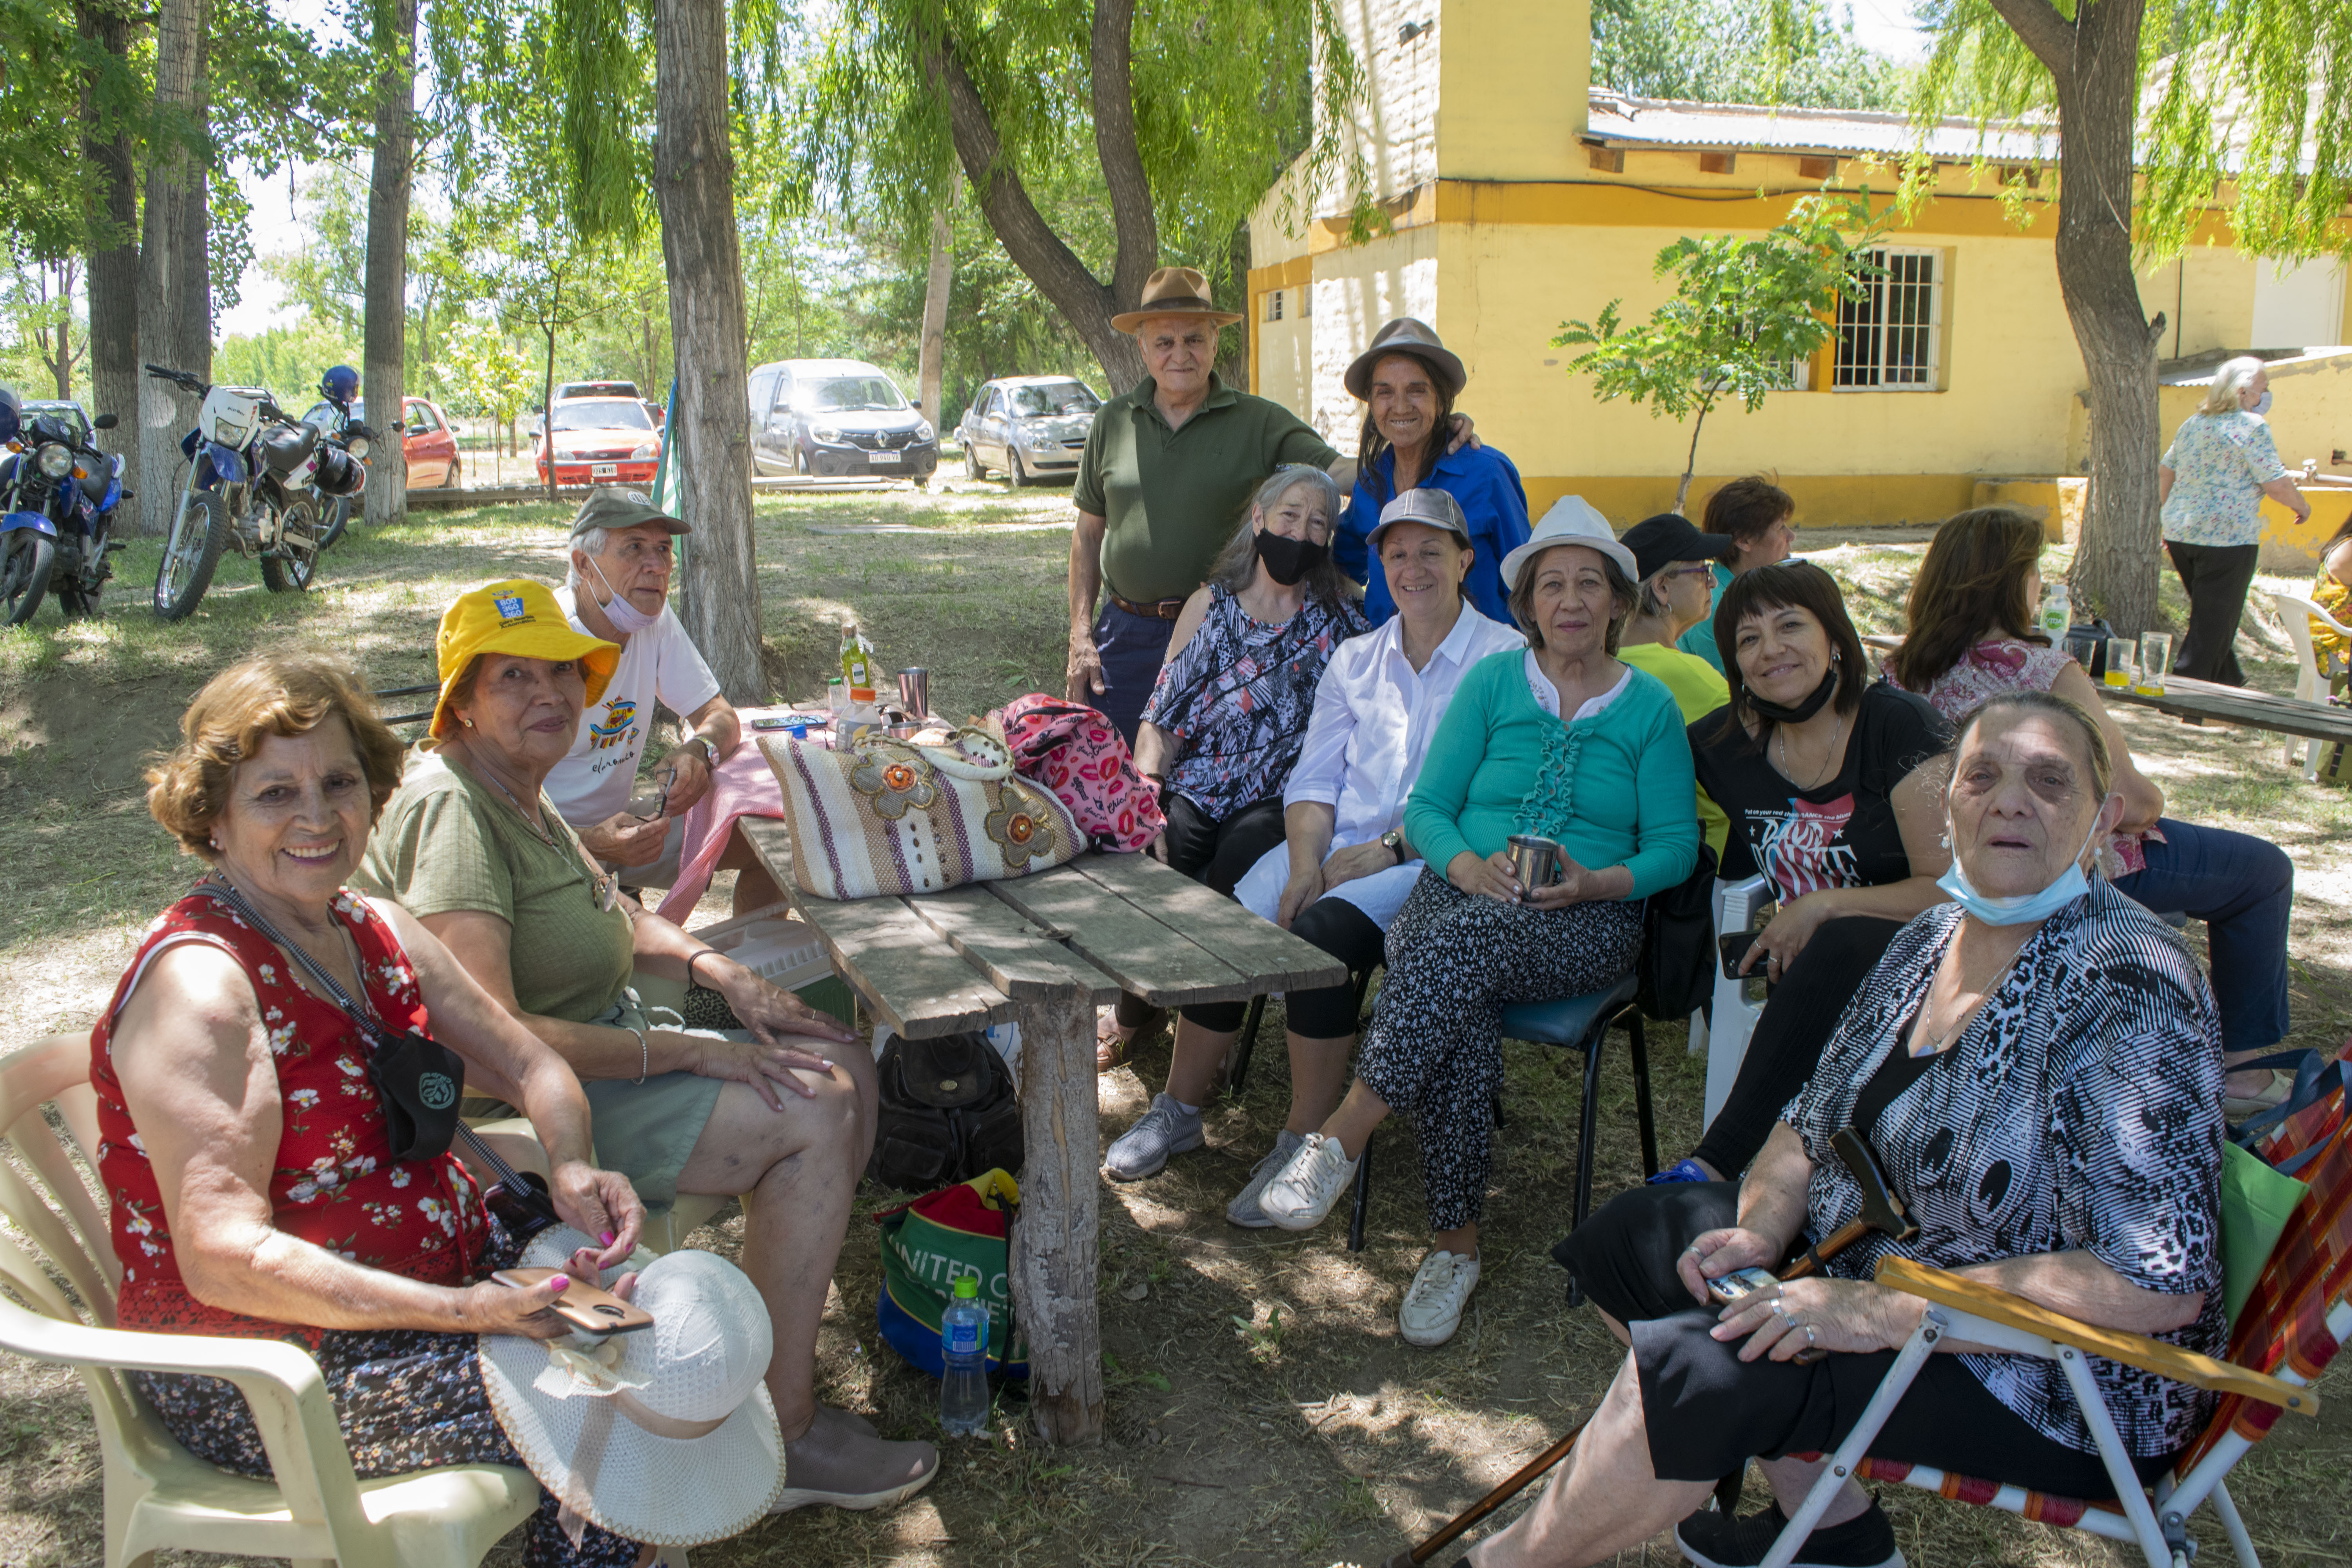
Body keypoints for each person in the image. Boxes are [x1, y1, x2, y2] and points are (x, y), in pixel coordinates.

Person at [1491, 691, 2225, 1568]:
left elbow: (2157, 1283)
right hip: (1881, 1271)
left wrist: (1876, 1310)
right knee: (1634, 1241)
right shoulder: (1933, 936)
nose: (2009, 801)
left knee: (1715, 1366)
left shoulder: (2130, 981)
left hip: (2054, 1375)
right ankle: (1836, 1533)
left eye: (2049, 780)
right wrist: (1756, 1229)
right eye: (1982, 776)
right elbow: (1803, 1129)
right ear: (1949, 806)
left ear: (2104, 819)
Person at [354, 578, 937, 1513]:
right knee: (816, 1106)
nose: (548, 694)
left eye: (563, 673)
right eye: (515, 676)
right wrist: (699, 1053)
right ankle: (782, 1436)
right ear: (460, 699)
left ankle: (745, 1359)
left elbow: (613, 911)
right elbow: (495, 1037)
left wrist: (721, 970)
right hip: (522, 1119)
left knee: (839, 1052)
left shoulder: (519, 792)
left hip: (616, 1045)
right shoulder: (454, 810)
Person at [98, 650, 659, 1567]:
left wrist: (570, 1162)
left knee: (645, 1321)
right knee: (613, 1401)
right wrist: (472, 1315)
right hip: (272, 1367)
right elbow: (224, 1260)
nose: (317, 816)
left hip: (426, 1298)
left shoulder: (373, 926)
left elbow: (531, 1062)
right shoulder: (203, 986)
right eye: (274, 794)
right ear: (213, 815)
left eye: (339, 782)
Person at [1253, 497, 1700, 1348]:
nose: (1570, 600)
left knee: (1448, 955)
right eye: (1553, 585)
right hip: (1463, 888)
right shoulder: (1495, 681)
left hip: (1589, 918)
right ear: (1530, 603)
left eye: (1590, 584)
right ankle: (1452, 1249)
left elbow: (1676, 847)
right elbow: (1428, 808)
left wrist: (1597, 877)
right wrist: (1464, 866)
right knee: (1459, 989)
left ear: (1618, 601)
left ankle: (1340, 1141)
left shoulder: (1648, 709)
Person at [1104, 487, 1524, 1202]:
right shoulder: (1359, 659)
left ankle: (1304, 1144)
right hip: (1334, 845)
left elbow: (1501, 799)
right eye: (1396, 554)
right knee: (1226, 928)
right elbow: (1315, 780)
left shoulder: (1506, 660)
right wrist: (1304, 861)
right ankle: (1180, 1109)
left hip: (1437, 859)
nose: (1412, 567)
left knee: (1322, 938)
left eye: (1431, 551)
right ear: (1378, 563)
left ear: (1465, 559)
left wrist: (1391, 849)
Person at [1886, 505, 2297, 1116]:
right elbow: (2128, 799)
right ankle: (2241, 1070)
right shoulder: (2043, 668)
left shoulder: (1899, 674)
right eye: (2035, 572)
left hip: (1963, 863)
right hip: (2067, 867)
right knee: (2263, 870)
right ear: (2013, 581)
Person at [1066, 267, 1476, 741]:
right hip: (1127, 632)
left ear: (1216, 341)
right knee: (1112, 771)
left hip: (1220, 632)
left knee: (1195, 770)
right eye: (1165, 342)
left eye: (1195, 339)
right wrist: (1081, 633)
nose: (1181, 354)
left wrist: (1423, 431)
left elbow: (1341, 472)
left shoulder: (1258, 420)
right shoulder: (1111, 422)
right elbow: (1088, 533)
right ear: (1142, 347)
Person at [1661, 562, 1953, 1185]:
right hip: (1799, 966)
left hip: (1927, 955)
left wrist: (1821, 905)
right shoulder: (1720, 746)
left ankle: (1718, 1164)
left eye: (1790, 626)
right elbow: (1641, 805)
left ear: (1836, 640)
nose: (1770, 651)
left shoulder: (1895, 725)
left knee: (1838, 938)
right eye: (1747, 639)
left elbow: (1950, 888)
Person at [1096, 466, 1370, 1076]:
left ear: (1328, 541)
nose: (1300, 533)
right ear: (1258, 521)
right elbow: (1160, 717)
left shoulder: (1342, 621)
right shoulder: (1212, 607)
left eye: (1318, 523)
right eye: (1289, 516)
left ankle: (1198, 1024)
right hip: (1200, 781)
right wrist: (1148, 792)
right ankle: (1141, 1011)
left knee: (1232, 868)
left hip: (1281, 797)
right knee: (1160, 856)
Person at [548, 488, 771, 908]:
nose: (656, 567)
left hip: (626, 830)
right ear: (584, 565)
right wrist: (590, 843)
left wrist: (698, 750)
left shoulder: (651, 616)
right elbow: (494, 809)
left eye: (664, 550)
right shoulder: (546, 639)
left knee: (774, 844)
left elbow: (719, 714)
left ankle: (755, 959)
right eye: (634, 548)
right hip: (543, 851)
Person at [1332, 318, 1530, 625]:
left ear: (1441, 401)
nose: (1399, 407)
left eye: (1417, 391)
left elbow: (1527, 585)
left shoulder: (1488, 474)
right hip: (1393, 668)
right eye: (1385, 392)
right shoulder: (1371, 484)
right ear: (1371, 403)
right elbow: (1342, 566)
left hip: (1480, 668)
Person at [2159, 355, 2310, 686]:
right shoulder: (2252, 427)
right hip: (2228, 537)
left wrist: (2164, 514)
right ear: (2242, 392)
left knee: (2211, 615)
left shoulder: (2193, 424)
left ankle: (2230, 682)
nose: (2264, 397)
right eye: (2262, 390)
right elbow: (2276, 483)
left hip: (2181, 533)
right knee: (2213, 620)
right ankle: (2186, 697)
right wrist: (2302, 506)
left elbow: (2166, 470)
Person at [1615, 511, 1733, 860]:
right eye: (1703, 572)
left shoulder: (1601, 664)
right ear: (1662, 586)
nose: (1713, 583)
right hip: (1709, 867)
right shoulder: (1693, 678)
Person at [1677, 475, 1798, 674]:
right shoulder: (1713, 606)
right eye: (1780, 528)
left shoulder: (1759, 590)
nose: (1791, 536)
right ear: (1744, 541)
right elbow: (1732, 694)